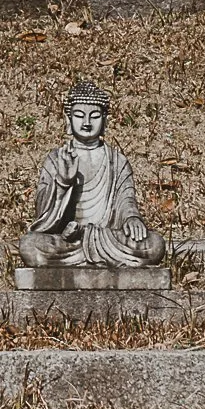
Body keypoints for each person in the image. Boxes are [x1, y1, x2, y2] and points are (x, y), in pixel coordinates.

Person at [17, 80, 167, 268]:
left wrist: (132, 219)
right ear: (68, 119)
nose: (87, 123)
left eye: (94, 116)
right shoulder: (56, 159)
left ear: (105, 120)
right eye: (79, 116)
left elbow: (126, 201)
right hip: (70, 241)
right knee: (29, 245)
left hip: (108, 238)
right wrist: (63, 181)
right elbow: (43, 217)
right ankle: (100, 257)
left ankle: (87, 255)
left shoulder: (117, 161)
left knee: (155, 245)